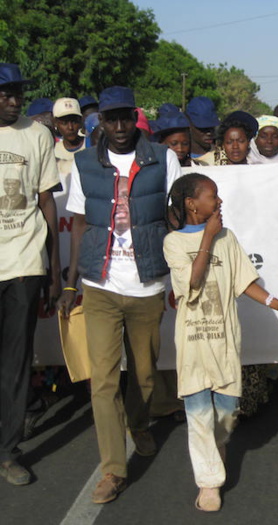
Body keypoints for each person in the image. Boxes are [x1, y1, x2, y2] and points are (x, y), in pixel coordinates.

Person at [56, 86, 182, 504]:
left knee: (144, 376)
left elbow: (178, 220)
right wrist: (71, 282)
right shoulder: (84, 163)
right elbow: (78, 225)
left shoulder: (163, 158)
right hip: (100, 286)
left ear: (136, 117)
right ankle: (113, 469)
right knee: (103, 381)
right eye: (111, 119)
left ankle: (140, 422)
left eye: (126, 117)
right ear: (101, 123)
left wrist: (179, 279)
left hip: (146, 285)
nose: (120, 126)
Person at [163, 173, 278, 512]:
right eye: (212, 196)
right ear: (191, 204)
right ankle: (208, 484)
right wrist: (207, 236)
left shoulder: (227, 239)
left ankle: (213, 459)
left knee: (226, 416)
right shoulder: (174, 243)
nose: (219, 202)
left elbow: (245, 283)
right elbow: (192, 280)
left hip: (225, 344)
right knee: (200, 416)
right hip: (193, 346)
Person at [0, 63, 61, 486]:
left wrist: (54, 271)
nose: (14, 100)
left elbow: (46, 203)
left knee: (15, 363)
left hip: (23, 263)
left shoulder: (38, 135)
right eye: (5, 93)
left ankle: (7, 451)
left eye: (18, 93)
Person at [194, 111, 258, 167]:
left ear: (249, 142)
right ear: (223, 144)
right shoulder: (210, 170)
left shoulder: (258, 169)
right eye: (229, 142)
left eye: (241, 141)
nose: (235, 146)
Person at [53, 97, 85, 179]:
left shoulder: (90, 144)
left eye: (74, 122)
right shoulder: (53, 151)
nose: (70, 127)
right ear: (56, 123)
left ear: (80, 121)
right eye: (64, 123)